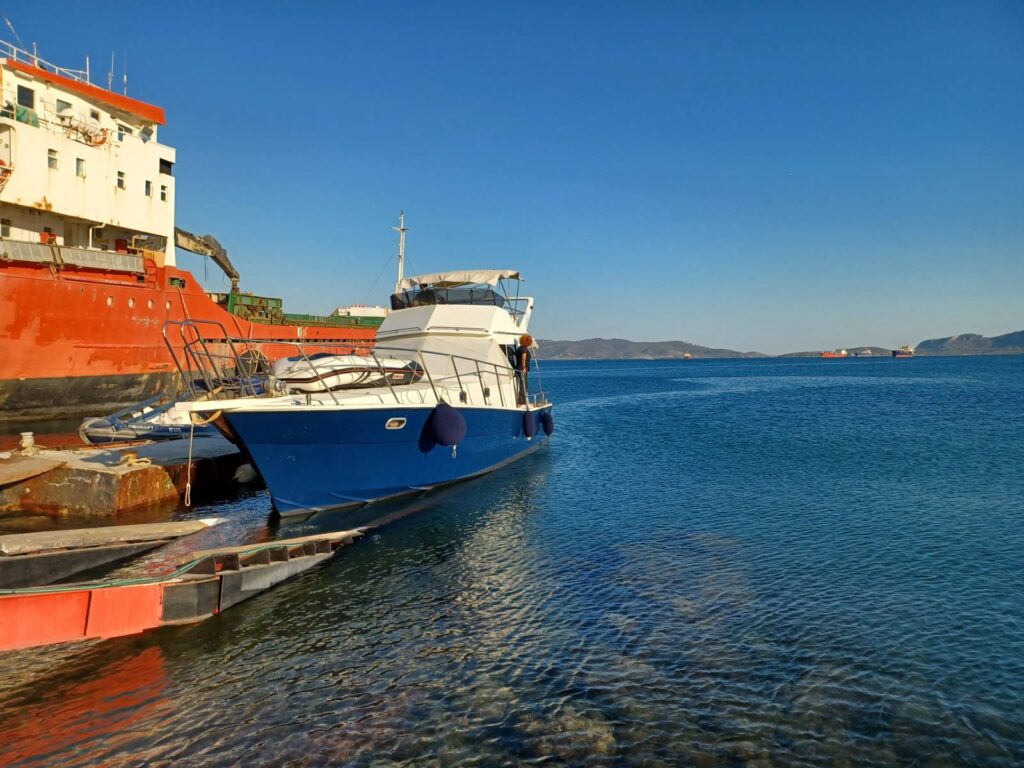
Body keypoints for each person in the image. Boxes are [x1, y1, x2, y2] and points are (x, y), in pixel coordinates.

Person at [515, 334, 533, 405]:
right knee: (524, 385)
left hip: (519, 368)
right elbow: (523, 358)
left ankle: (522, 400)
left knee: (523, 384)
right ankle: (522, 402)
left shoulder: (520, 348)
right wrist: (524, 367)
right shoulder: (524, 349)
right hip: (522, 369)